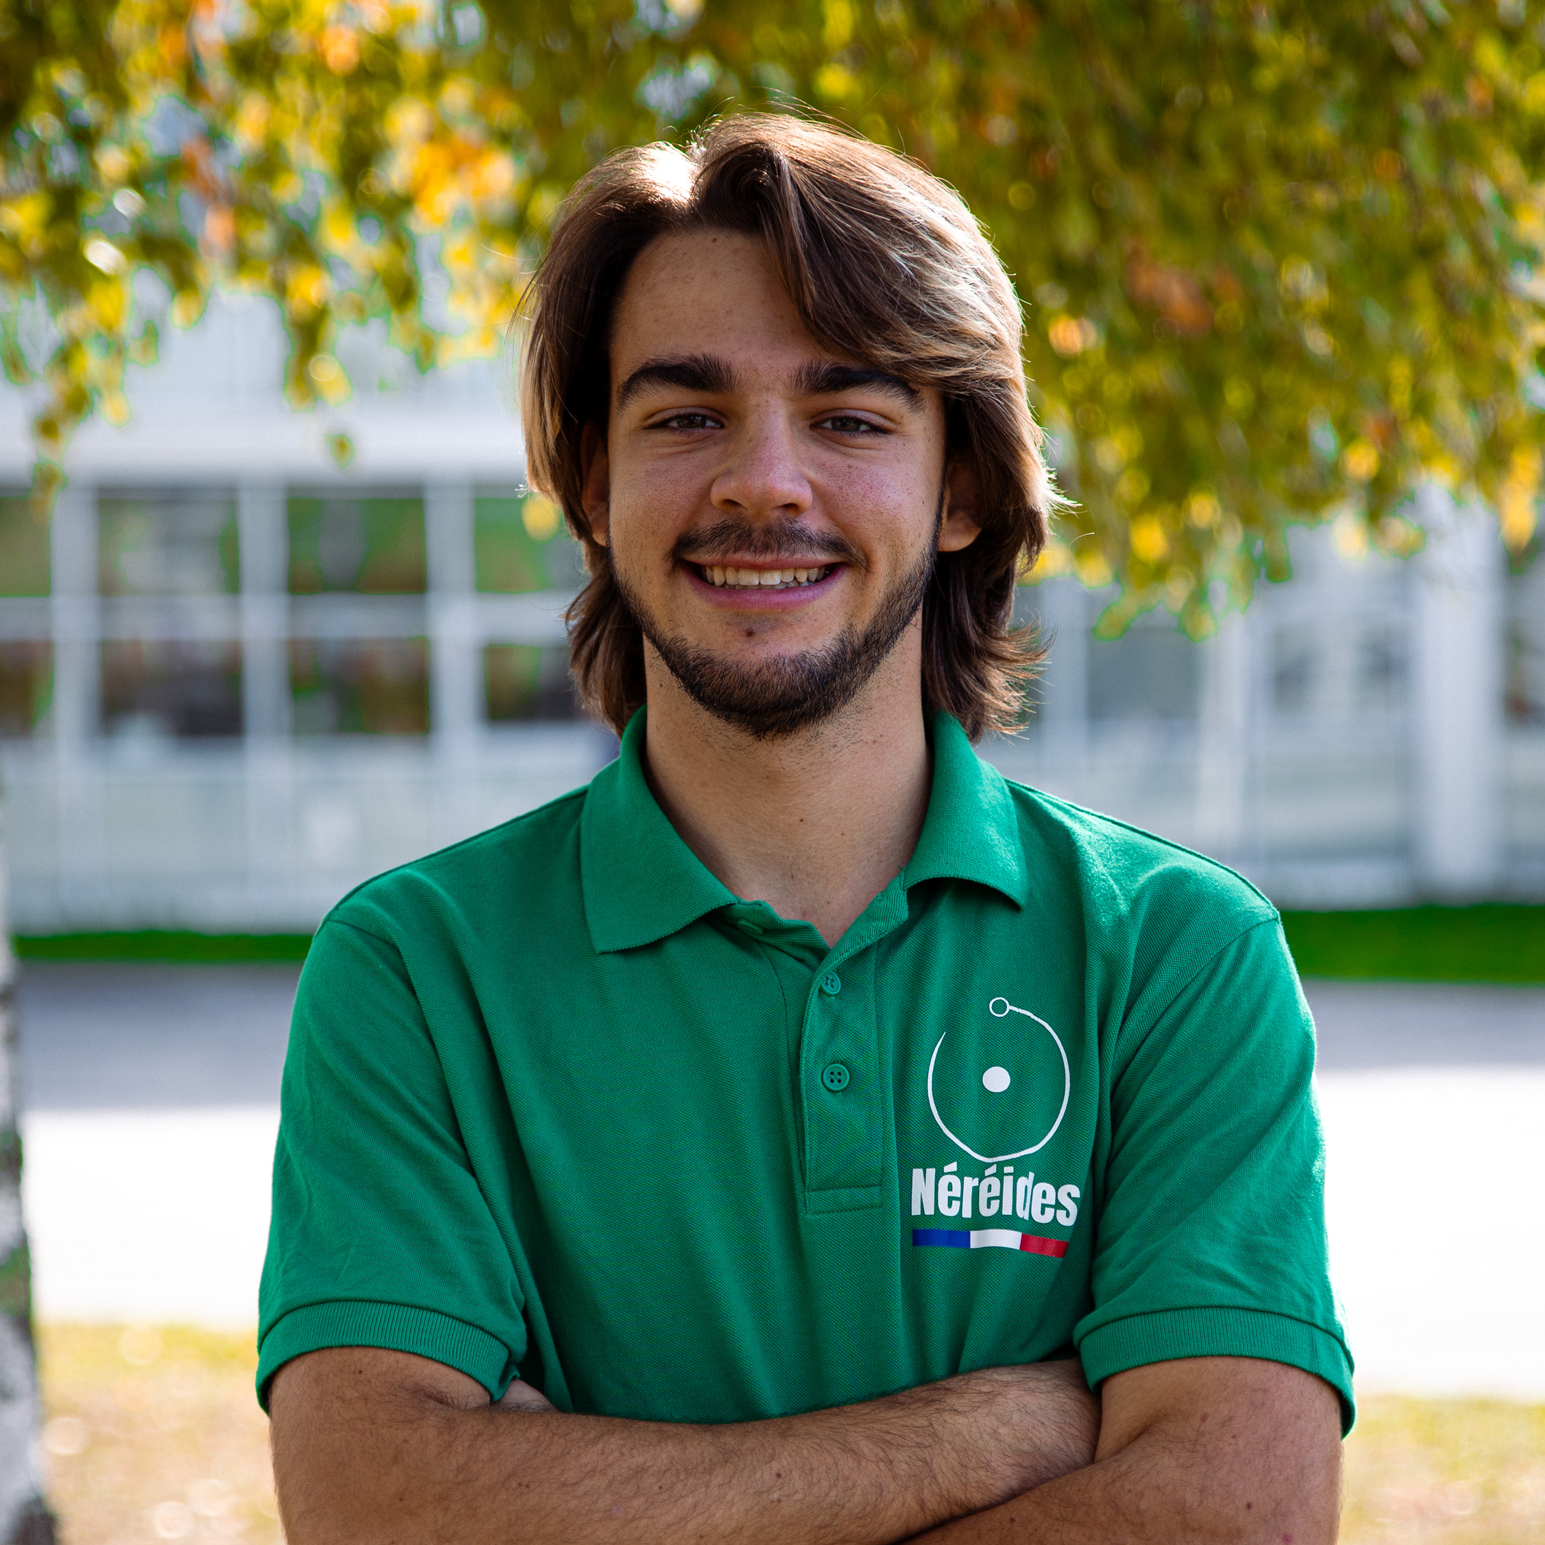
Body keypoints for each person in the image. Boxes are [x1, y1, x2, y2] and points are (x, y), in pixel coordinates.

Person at [261, 114, 1351, 1543]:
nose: (763, 482)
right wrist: (1010, 1426)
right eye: (685, 415)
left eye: (848, 417)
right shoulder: (414, 972)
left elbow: (1235, 1516)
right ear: (592, 482)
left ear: (961, 484)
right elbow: (375, 1512)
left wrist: (572, 1492)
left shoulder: (1178, 956)